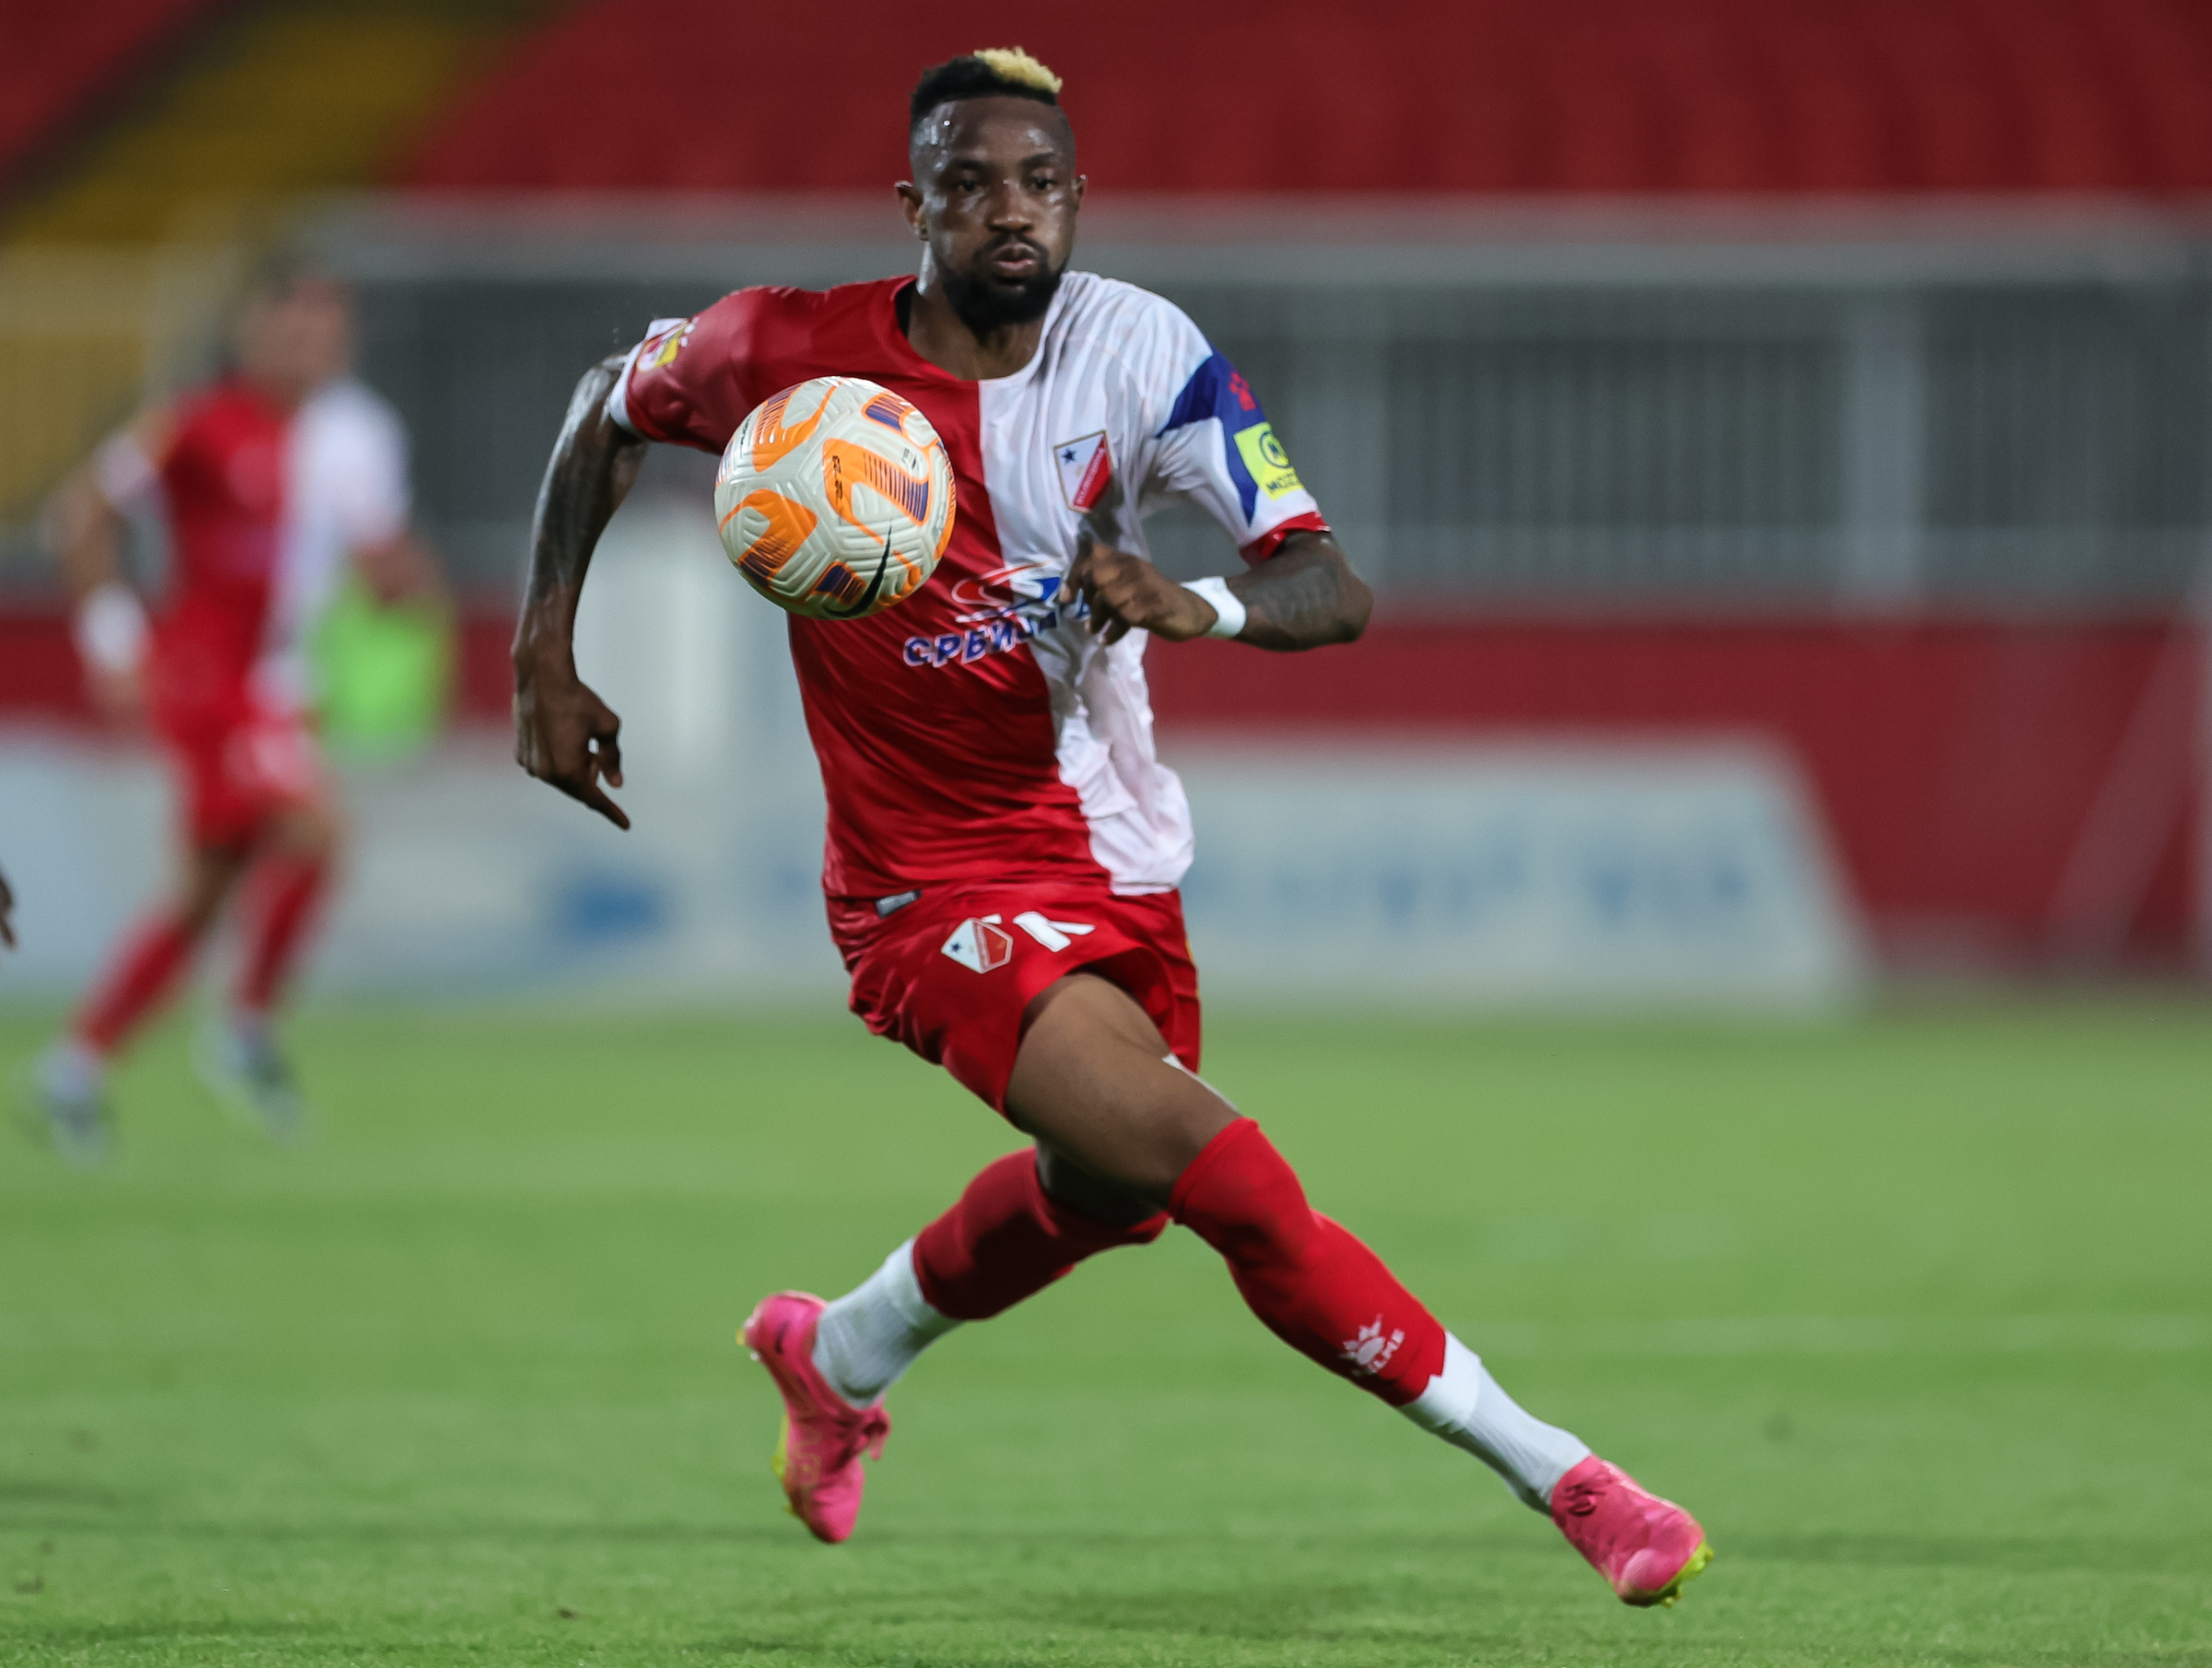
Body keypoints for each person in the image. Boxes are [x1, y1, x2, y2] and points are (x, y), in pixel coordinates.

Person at [512, 50, 1711, 1608]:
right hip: (924, 890)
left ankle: (838, 1351)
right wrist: (542, 652)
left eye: (1037, 183)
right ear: (912, 204)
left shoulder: (1144, 352)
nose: (1007, 211)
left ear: (1077, 198)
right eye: (967, 184)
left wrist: (1198, 602)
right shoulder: (783, 352)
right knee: (1229, 1180)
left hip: (1111, 849)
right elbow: (606, 403)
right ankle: (1572, 1479)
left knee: (1108, 1196)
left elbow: (1328, 583)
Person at [31, 257, 440, 1165]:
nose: (312, 344)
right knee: (316, 832)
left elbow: (377, 562)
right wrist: (112, 640)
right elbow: (79, 513)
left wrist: (404, 577)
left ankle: (73, 1069)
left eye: (328, 328)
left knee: (202, 896)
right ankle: (243, 1030)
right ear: (252, 330)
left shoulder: (356, 435)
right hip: (207, 680)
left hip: (279, 687)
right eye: (294, 325)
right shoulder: (195, 423)